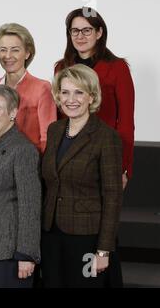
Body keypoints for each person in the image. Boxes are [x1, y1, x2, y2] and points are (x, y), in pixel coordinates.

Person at [41, 64, 123, 288]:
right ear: (58, 96)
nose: (71, 99)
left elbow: (113, 196)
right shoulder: (55, 130)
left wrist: (103, 250)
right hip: (51, 234)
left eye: (79, 92)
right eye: (65, 92)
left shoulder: (106, 137)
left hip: (86, 237)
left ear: (92, 96)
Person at [55, 7, 135, 189]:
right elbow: (59, 116)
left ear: (99, 32)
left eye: (87, 30)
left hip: (104, 153)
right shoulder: (61, 67)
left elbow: (126, 122)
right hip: (68, 152)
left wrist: (123, 167)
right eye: (75, 31)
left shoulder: (118, 68)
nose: (80, 36)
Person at [0, 84, 41, 288]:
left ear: (13, 113)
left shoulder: (23, 149)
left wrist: (26, 254)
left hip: (12, 252)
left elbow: (30, 205)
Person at [0, 23, 56, 153]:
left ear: (27, 53)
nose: (8, 56)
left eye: (15, 50)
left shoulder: (42, 88)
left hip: (27, 162)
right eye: (3, 49)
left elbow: (47, 137)